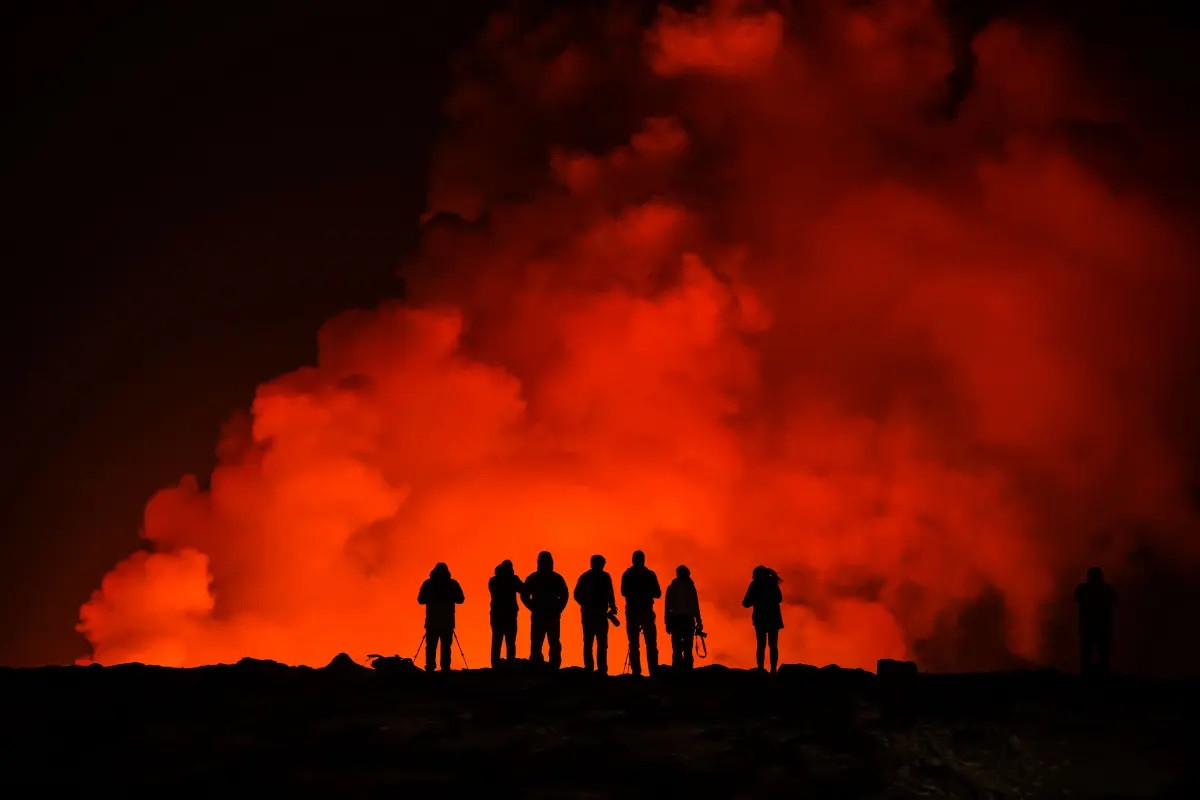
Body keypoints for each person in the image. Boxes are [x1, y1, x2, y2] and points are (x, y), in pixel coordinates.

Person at [521, 551, 569, 668]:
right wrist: (533, 607)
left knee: (551, 642)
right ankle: (541, 664)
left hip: (548, 614)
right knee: (540, 642)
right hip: (543, 614)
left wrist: (558, 609)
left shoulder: (542, 578)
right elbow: (524, 594)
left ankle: (551, 665)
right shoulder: (551, 578)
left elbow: (565, 595)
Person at [574, 554, 618, 673]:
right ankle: (593, 668)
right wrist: (587, 605)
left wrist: (613, 606)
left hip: (597, 615)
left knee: (599, 643)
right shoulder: (590, 577)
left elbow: (610, 594)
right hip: (591, 615)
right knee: (593, 642)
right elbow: (577, 595)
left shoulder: (590, 577)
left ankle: (599, 669)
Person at [417, 562, 465, 672]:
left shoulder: (428, 584)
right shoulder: (452, 584)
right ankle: (445, 669)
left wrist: (432, 597)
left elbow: (420, 600)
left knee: (431, 647)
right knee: (446, 647)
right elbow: (461, 599)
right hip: (447, 621)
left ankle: (430, 668)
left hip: (432, 621)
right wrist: (449, 596)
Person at [620, 550, 661, 676]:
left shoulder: (627, 574)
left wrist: (635, 594)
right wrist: (646, 593)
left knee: (634, 644)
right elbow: (658, 593)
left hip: (632, 612)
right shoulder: (650, 574)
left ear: (633, 560)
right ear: (643, 560)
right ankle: (653, 671)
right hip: (646, 611)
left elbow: (623, 592)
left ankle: (636, 672)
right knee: (651, 644)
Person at [1074, 566, 1117, 676]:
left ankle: (1088, 679)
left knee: (1090, 657)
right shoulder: (1106, 590)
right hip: (1100, 629)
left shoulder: (1083, 589)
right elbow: (1114, 600)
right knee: (1101, 656)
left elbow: (1077, 597)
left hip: (1090, 629)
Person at [742, 565, 783, 673]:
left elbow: (745, 603)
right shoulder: (772, 583)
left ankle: (760, 669)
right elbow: (779, 598)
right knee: (773, 645)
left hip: (760, 619)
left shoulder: (755, 585)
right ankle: (773, 669)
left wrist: (756, 600)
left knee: (761, 645)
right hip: (773, 618)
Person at [665, 564, 703, 671]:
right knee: (687, 648)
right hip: (687, 620)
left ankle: (677, 672)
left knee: (677, 648)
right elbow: (695, 605)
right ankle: (688, 672)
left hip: (676, 620)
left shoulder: (672, 587)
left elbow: (667, 606)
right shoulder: (690, 587)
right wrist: (699, 621)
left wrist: (667, 621)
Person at [488, 560, 524, 668]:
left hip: (497, 616)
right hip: (509, 616)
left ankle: (495, 665)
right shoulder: (512, 580)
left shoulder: (493, 580)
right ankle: (510, 664)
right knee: (510, 642)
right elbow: (523, 589)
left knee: (497, 641)